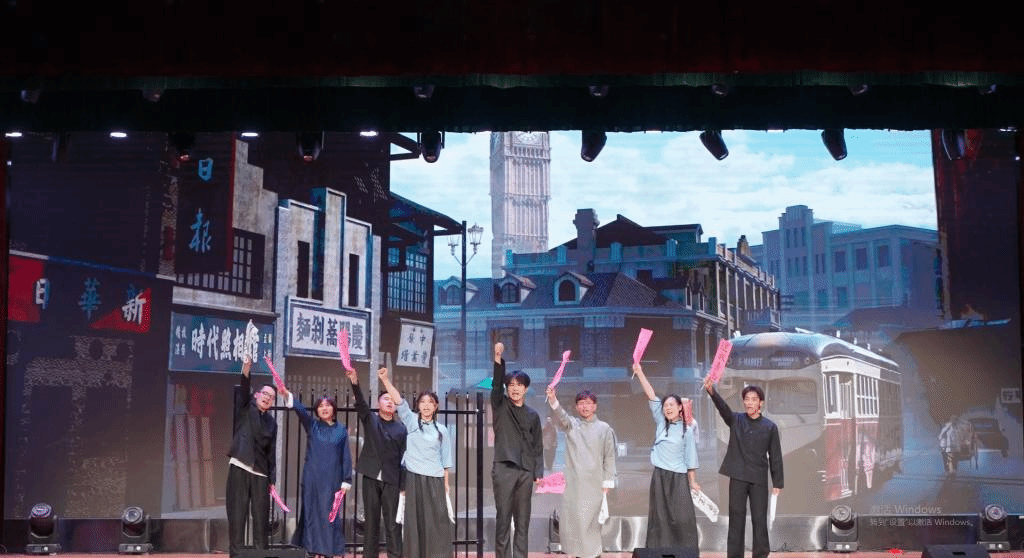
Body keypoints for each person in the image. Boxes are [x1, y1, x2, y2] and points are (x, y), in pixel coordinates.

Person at [378, 367, 454, 558]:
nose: (426, 405)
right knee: (414, 523)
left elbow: (446, 460)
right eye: (423, 402)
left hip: (435, 481)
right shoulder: (411, 422)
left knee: (437, 523)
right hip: (414, 480)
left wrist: (446, 484)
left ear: (436, 406)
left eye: (430, 402)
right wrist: (385, 380)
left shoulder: (442, 430)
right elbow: (399, 401)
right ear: (418, 405)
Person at [704, 376, 783, 558]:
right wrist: (712, 392)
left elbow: (776, 456)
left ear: (761, 403)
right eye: (747, 399)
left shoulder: (770, 427)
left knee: (759, 520)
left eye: (753, 399)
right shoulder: (736, 420)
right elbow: (723, 409)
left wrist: (777, 482)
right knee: (736, 519)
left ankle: (760, 555)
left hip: (758, 479)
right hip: (738, 477)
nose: (749, 403)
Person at [278, 385, 353, 558]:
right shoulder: (312, 426)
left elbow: (346, 456)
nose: (324, 408)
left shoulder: (341, 430)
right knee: (311, 514)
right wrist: (287, 394)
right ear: (317, 410)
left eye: (327, 405)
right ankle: (311, 551)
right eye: (320, 406)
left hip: (332, 479)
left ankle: (327, 552)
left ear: (333, 409)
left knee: (329, 516)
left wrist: (346, 479)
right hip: (312, 478)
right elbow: (300, 411)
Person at [631, 363, 700, 551]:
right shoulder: (661, 421)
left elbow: (691, 458)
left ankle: (684, 552)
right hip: (660, 477)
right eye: (665, 405)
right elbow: (651, 394)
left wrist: (692, 481)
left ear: (680, 408)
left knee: (682, 518)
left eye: (672, 405)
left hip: (678, 478)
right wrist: (640, 372)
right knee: (659, 518)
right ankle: (660, 552)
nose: (668, 408)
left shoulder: (687, 430)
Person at [544, 384, 617, 558]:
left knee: (591, 524)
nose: (585, 407)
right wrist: (553, 399)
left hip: (594, 485)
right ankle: (577, 554)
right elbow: (561, 415)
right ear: (576, 407)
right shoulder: (572, 425)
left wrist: (607, 482)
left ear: (595, 406)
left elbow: (609, 457)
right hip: (574, 485)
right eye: (581, 403)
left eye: (588, 403)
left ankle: (594, 555)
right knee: (574, 523)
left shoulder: (604, 429)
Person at [345, 366, 407, 558]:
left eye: (392, 400)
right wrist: (355, 382)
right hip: (371, 476)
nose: (389, 402)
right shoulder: (371, 419)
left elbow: (404, 459)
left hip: (392, 480)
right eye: (385, 399)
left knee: (393, 523)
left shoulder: (401, 429)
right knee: (370, 522)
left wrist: (403, 485)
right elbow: (361, 403)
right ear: (378, 403)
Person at [491, 342, 545, 558]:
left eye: (519, 385)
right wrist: (497, 358)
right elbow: (496, 385)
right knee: (503, 519)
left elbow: (537, 446)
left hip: (525, 471)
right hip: (504, 468)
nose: (515, 388)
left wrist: (537, 472)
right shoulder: (500, 405)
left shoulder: (533, 415)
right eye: (511, 385)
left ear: (526, 389)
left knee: (523, 521)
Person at [226, 356, 278, 558]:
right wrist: (246, 369)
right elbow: (244, 386)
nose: (267, 398)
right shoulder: (246, 408)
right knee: (237, 516)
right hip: (240, 465)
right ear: (257, 395)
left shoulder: (272, 422)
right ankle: (237, 555)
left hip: (261, 474)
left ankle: (261, 554)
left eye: (271, 397)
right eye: (265, 393)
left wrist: (272, 479)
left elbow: (271, 451)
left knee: (261, 520)